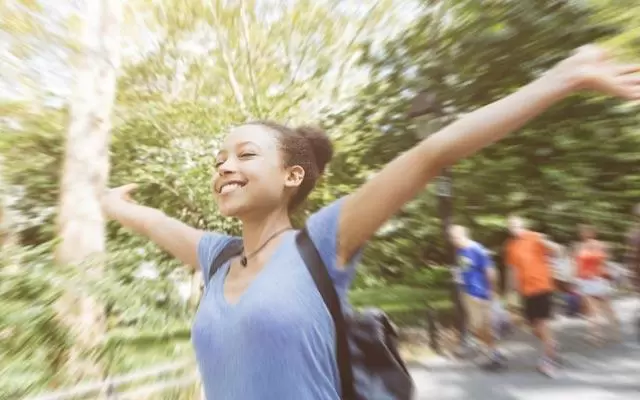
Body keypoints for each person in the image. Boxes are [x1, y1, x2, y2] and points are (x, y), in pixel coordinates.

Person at [101, 46, 640, 398]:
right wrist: (114, 205)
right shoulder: (215, 257)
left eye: (244, 154)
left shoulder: (323, 242)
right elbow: (151, 223)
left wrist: (561, 77)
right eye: (219, 159)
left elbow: (433, 153)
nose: (224, 166)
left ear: (292, 176)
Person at [504, 215, 562, 378]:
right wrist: (509, 291)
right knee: (534, 328)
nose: (513, 227)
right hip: (525, 291)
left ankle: (548, 362)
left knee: (543, 325)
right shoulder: (511, 246)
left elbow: (557, 250)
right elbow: (512, 270)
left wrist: (549, 244)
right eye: (510, 225)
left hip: (542, 287)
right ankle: (552, 346)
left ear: (522, 225)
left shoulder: (534, 236)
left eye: (516, 224)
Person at [449, 225, 505, 371]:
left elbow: (490, 270)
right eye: (452, 237)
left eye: (455, 237)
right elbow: (463, 271)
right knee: (477, 327)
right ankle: (489, 351)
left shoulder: (476, 249)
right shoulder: (460, 251)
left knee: (484, 326)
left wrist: (492, 291)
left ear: (464, 235)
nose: (453, 240)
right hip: (468, 293)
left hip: (481, 293)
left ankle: (493, 354)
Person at [574, 225, 621, 345]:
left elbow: (578, 265)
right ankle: (613, 333)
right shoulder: (600, 246)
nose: (583, 234)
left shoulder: (581, 247)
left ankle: (596, 337)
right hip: (595, 280)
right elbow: (605, 262)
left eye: (584, 232)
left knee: (595, 310)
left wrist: (576, 280)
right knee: (605, 308)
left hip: (590, 280)